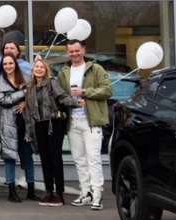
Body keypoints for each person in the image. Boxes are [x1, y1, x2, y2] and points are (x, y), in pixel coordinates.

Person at [56, 39, 112, 210]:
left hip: (91, 121)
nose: (74, 54)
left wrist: (85, 92)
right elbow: (60, 95)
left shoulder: (95, 69)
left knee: (93, 159)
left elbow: (108, 90)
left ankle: (97, 194)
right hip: (73, 121)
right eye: (71, 51)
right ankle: (85, 192)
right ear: (67, 52)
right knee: (79, 159)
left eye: (77, 51)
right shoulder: (64, 72)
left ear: (83, 50)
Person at [25, 58, 75, 207]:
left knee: (55, 159)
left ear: (46, 70)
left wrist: (76, 102)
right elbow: (28, 112)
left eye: (42, 67)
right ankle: (48, 192)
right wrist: (28, 133)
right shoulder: (30, 88)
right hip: (39, 126)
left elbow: (63, 97)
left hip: (54, 125)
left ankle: (59, 193)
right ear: (33, 71)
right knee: (45, 160)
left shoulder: (52, 83)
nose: (39, 69)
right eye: (36, 67)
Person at [0, 54, 38, 203]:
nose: (8, 66)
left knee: (28, 157)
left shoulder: (25, 77)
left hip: (24, 124)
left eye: (10, 63)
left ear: (15, 64)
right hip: (8, 125)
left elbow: (33, 94)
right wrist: (22, 93)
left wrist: (25, 102)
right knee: (9, 158)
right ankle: (11, 191)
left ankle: (31, 190)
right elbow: (4, 101)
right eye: (5, 64)